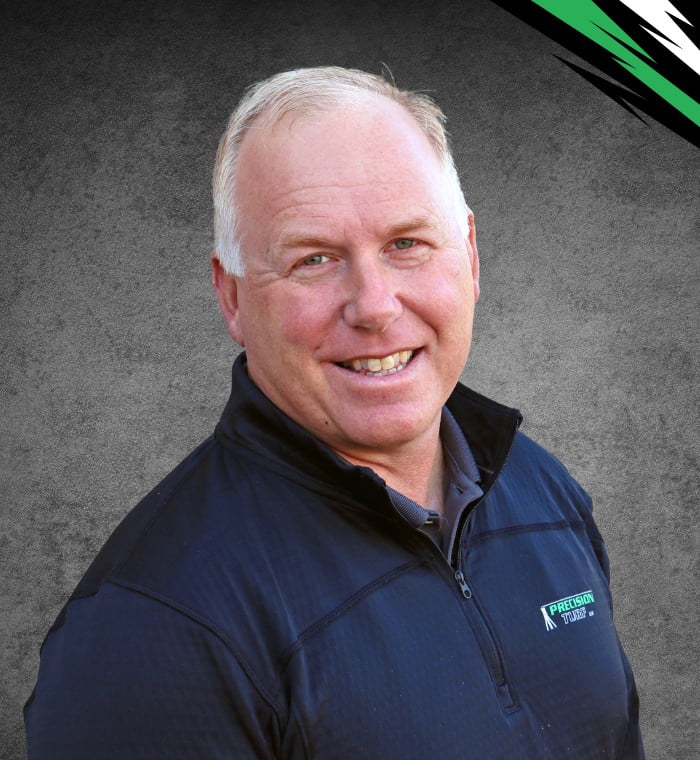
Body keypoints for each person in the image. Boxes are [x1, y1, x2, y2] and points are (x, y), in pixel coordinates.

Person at [24, 66, 644, 758]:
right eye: (314, 259)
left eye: (407, 243)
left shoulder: (545, 492)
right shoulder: (150, 629)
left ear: (469, 255)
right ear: (231, 297)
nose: (375, 306)